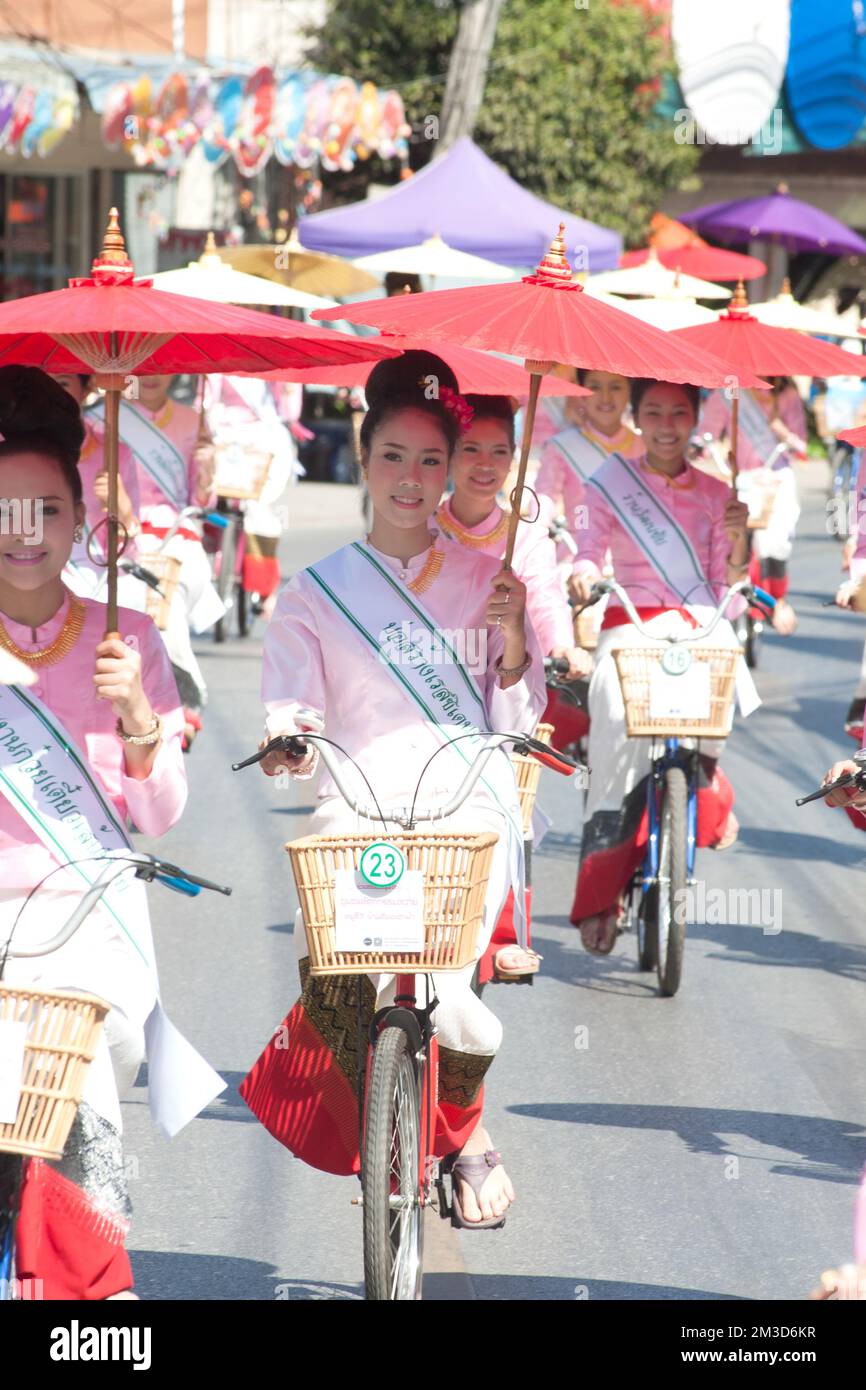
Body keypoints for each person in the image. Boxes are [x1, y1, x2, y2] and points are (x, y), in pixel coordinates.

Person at [239, 351, 546, 1227]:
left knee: (450, 984)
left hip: (466, 803)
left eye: (431, 461)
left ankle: (465, 1127)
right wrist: (287, 741)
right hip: (358, 801)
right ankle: (434, 1114)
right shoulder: (313, 593)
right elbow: (291, 700)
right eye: (392, 458)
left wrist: (515, 640)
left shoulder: (491, 579)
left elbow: (513, 714)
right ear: (363, 461)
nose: (411, 480)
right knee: (338, 954)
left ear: (451, 471)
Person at [0, 366, 221, 1298]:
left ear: (79, 516)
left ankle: (94, 1297)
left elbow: (162, 814)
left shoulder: (127, 640)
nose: (25, 535)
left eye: (46, 510)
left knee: (70, 1086)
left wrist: (137, 719)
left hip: (91, 937)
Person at [569, 379, 753, 954]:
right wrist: (579, 570)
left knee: (728, 670)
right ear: (637, 416)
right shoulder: (608, 485)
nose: (667, 424)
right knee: (612, 717)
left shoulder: (720, 492)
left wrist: (739, 539)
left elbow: (731, 582)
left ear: (696, 417)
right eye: (654, 412)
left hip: (699, 619)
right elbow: (585, 547)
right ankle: (604, 889)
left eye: (679, 412)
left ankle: (704, 775)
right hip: (631, 618)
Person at [436, 392, 590, 980]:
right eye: (470, 448)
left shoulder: (522, 538)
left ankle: (502, 935)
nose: (484, 463)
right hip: (419, 684)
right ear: (448, 455)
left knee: (503, 802)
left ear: (514, 459)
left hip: (500, 691)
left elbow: (547, 598)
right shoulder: (423, 524)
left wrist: (563, 646)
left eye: (499, 451)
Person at [88, 374, 223, 746]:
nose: (151, 377)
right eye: (141, 369)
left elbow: (202, 500)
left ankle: (182, 695)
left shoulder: (192, 420)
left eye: (159, 368)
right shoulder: (101, 420)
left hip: (175, 534)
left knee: (167, 600)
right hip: (114, 532)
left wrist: (207, 469)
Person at [700, 378, 806, 637]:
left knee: (773, 542)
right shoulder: (729, 392)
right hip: (741, 479)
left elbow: (802, 447)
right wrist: (701, 445)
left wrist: (780, 429)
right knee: (727, 537)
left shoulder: (788, 396)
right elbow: (705, 434)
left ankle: (773, 600)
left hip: (776, 480)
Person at [535, 369, 644, 565]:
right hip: (577, 550)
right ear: (580, 390)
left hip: (637, 556)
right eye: (594, 387)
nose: (605, 397)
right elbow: (545, 496)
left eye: (616, 387)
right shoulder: (562, 446)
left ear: (630, 391)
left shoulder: (646, 447)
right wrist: (537, 526)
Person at [49, 374, 141, 596]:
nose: (49, 393)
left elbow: (128, 555)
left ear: (87, 388)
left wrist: (122, 509)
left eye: (62, 383)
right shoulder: (12, 453)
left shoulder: (116, 454)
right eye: (40, 382)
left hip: (95, 580)